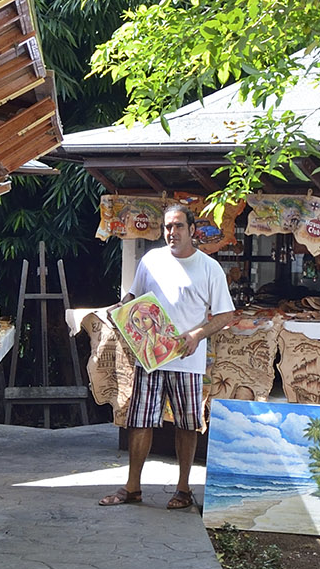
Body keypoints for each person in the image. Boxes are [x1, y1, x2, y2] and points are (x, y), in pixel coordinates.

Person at [99, 201, 234, 510]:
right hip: (149, 357)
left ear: (193, 230)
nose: (172, 232)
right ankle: (133, 487)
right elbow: (134, 296)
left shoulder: (209, 267)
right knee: (140, 420)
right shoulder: (151, 260)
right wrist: (121, 307)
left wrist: (197, 335)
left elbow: (225, 314)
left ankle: (184, 489)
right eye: (167, 227)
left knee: (187, 424)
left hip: (187, 359)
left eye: (178, 226)